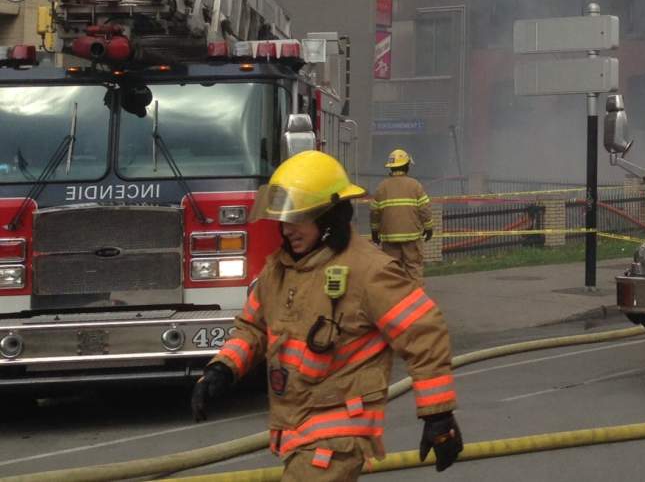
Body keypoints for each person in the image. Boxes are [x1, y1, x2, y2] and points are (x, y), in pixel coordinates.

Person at [191, 150, 463, 479]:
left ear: (329, 216)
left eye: (298, 218)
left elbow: (424, 332)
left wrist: (438, 416)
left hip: (339, 435)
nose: (287, 229)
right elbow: (253, 327)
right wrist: (224, 367)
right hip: (295, 425)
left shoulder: (369, 271)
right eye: (283, 219)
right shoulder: (280, 268)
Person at [370, 149, 434, 284]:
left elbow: (374, 212)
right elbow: (425, 209)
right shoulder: (415, 185)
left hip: (389, 239)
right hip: (411, 237)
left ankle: (395, 301)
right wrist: (428, 227)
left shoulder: (382, 187)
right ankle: (416, 303)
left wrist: (375, 231)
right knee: (413, 270)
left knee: (393, 273)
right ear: (406, 166)